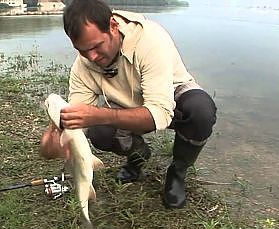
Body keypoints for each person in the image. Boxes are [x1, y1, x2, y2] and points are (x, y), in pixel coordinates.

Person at [40, 0, 217, 209]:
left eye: (96, 47)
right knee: (99, 132)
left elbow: (160, 112)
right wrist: (51, 145)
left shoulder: (150, 39)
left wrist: (100, 114)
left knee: (201, 111)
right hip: (125, 104)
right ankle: (138, 157)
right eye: (82, 50)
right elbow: (77, 127)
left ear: (113, 26)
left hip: (170, 96)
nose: (92, 57)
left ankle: (178, 172)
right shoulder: (83, 66)